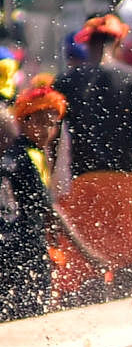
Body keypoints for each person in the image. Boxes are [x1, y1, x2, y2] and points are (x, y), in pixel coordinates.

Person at [54, 14, 132, 301]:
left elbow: (52, 142)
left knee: (90, 268)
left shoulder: (66, 81)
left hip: (84, 183)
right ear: (118, 40)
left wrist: (50, 192)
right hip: (126, 185)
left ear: (87, 41)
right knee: (127, 271)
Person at [1, 92, 107, 320]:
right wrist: (88, 253)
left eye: (51, 125)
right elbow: (50, 209)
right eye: (38, 123)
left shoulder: (32, 153)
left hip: (24, 246)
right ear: (22, 121)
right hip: (22, 251)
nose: (45, 131)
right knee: (30, 315)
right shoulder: (23, 155)